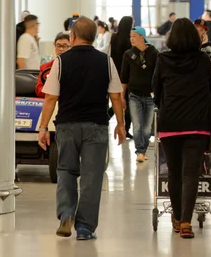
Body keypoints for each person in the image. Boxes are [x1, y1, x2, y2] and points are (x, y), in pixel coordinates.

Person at [37, 17, 126, 240]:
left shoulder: (61, 61)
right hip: (96, 125)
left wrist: (43, 127)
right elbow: (116, 96)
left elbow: (50, 98)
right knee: (92, 176)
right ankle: (85, 227)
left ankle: (66, 213)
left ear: (72, 37)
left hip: (67, 125)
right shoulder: (106, 61)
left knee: (66, 171)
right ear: (94, 37)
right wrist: (121, 125)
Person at [152, 18, 211, 239]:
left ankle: (176, 218)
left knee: (174, 173)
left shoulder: (163, 59)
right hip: (197, 124)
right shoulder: (203, 61)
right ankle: (186, 222)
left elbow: (155, 90)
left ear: (171, 37)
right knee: (190, 173)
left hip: (170, 123)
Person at [121, 26, 159, 162]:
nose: (131, 39)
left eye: (134, 37)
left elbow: (158, 75)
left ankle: (143, 147)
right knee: (137, 126)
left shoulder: (154, 53)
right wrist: (122, 97)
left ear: (142, 38)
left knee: (147, 128)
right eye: (130, 37)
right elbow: (124, 78)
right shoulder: (128, 54)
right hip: (134, 95)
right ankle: (140, 151)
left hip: (150, 96)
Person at [109, 16, 134, 138]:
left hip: (115, 72)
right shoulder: (129, 40)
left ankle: (107, 116)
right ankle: (126, 127)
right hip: (126, 73)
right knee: (127, 101)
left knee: (116, 99)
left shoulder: (114, 37)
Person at [35, 33, 71, 98]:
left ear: (70, 48)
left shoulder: (75, 67)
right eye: (58, 45)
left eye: (65, 46)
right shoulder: (45, 67)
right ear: (55, 47)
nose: (61, 49)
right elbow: (39, 90)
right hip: (50, 101)